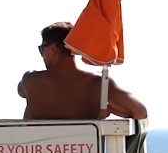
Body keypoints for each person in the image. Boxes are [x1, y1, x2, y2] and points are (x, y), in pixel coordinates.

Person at [17, 21, 148, 121]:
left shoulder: (30, 80)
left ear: (52, 49)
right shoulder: (98, 84)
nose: (42, 55)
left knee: (30, 107)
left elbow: (21, 92)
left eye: (41, 49)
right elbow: (140, 112)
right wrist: (107, 107)